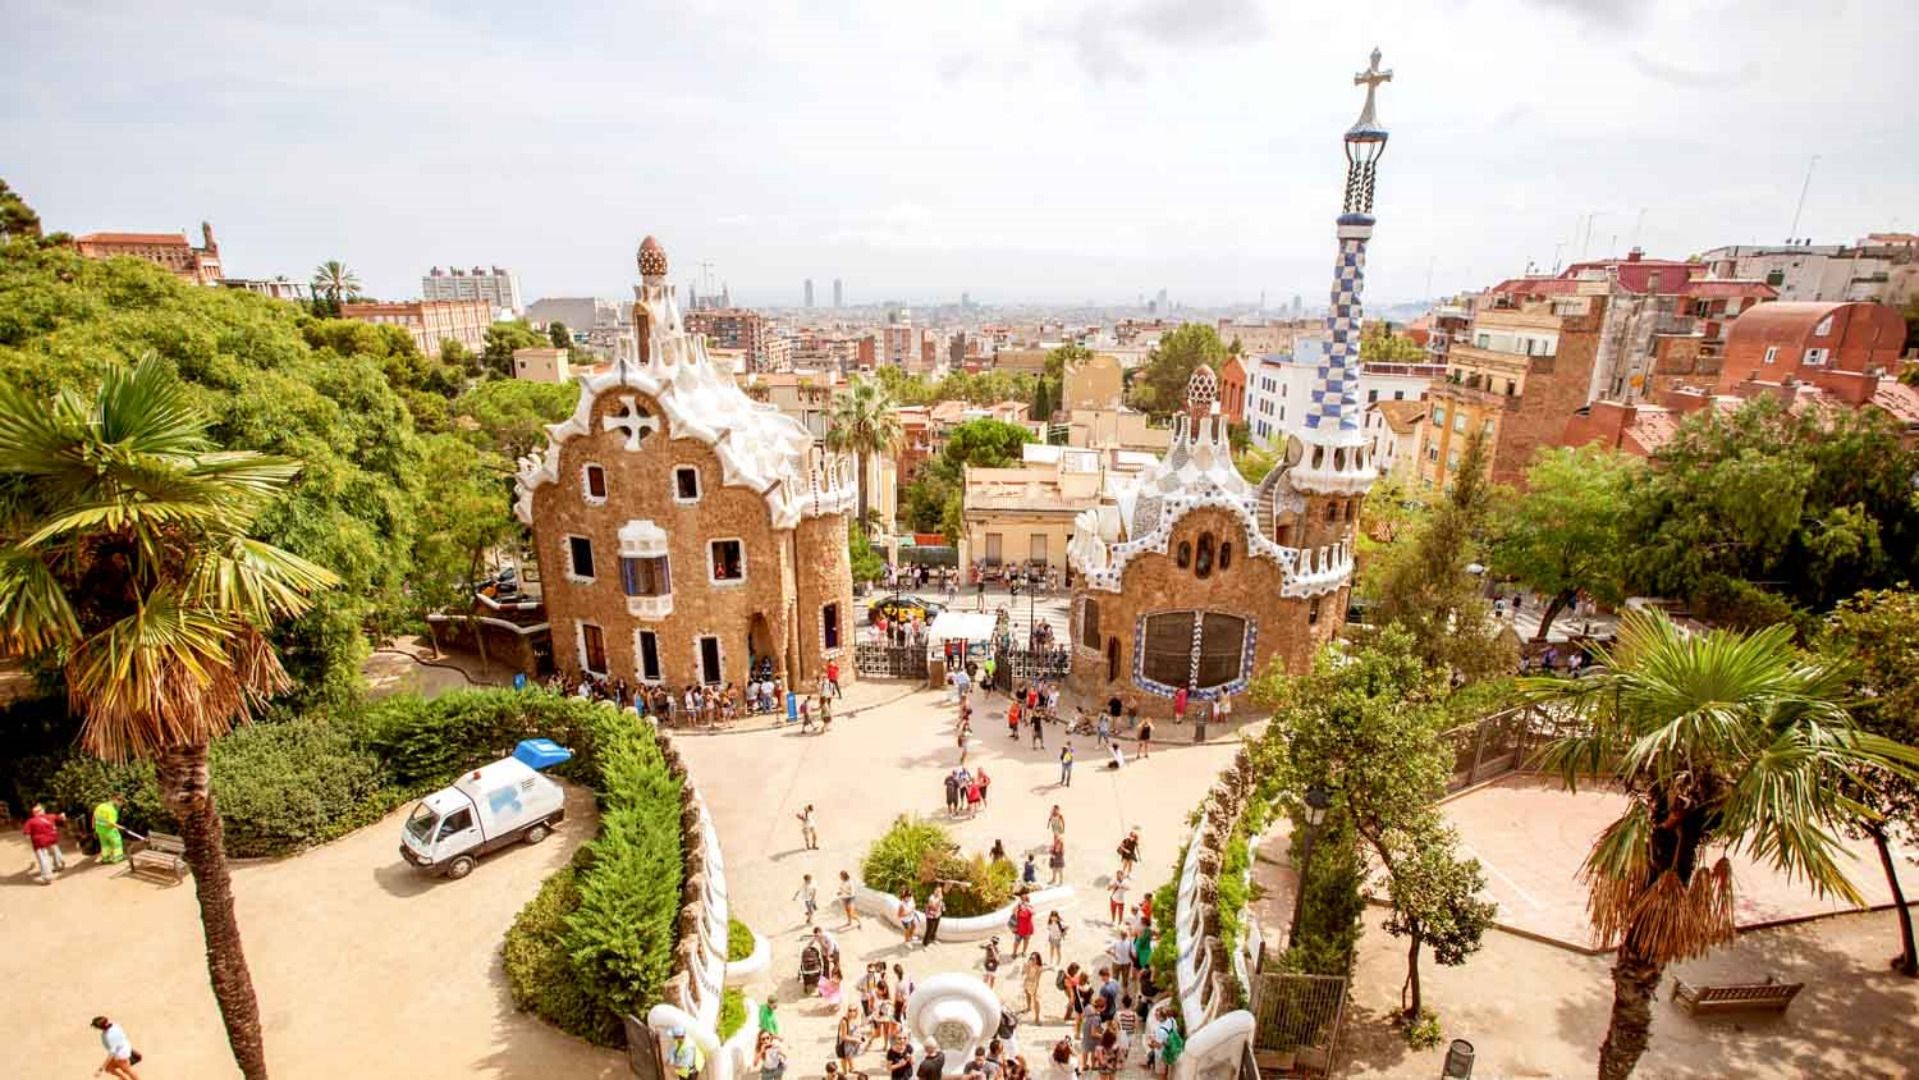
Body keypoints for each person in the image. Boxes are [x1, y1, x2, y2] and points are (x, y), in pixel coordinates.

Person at [22, 803, 67, 885]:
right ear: (43, 811)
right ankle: (59, 864)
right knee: (55, 850)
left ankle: (47, 877)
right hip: (52, 838)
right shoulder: (51, 816)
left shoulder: (30, 821)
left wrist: (30, 841)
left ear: (34, 813)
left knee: (43, 858)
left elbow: (27, 834)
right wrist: (63, 815)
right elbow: (62, 818)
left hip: (39, 842)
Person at [92, 795, 127, 865]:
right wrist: (120, 827)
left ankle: (106, 859)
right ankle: (118, 858)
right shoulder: (112, 810)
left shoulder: (101, 806)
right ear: (118, 801)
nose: (121, 805)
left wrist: (94, 827)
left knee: (105, 845)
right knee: (117, 843)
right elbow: (111, 823)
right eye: (121, 803)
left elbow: (94, 817)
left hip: (100, 830)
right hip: (109, 830)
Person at [836, 1006, 862, 1075]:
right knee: (844, 1058)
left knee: (849, 1057)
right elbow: (844, 1036)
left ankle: (851, 1069)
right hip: (845, 1044)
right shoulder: (844, 1021)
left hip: (850, 1044)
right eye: (850, 1010)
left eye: (854, 1010)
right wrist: (856, 1039)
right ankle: (845, 1073)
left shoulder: (853, 1019)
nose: (852, 1012)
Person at [1022, 951, 1046, 1019]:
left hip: (1034, 984)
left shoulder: (1038, 968)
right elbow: (1025, 973)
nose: (1031, 960)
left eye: (1033, 958)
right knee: (1027, 994)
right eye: (1031, 958)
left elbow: (1037, 979)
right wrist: (1026, 966)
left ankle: (1037, 1017)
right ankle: (1029, 1007)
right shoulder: (1028, 965)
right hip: (1027, 982)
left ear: (1037, 960)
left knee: (1036, 1001)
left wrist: (1036, 988)